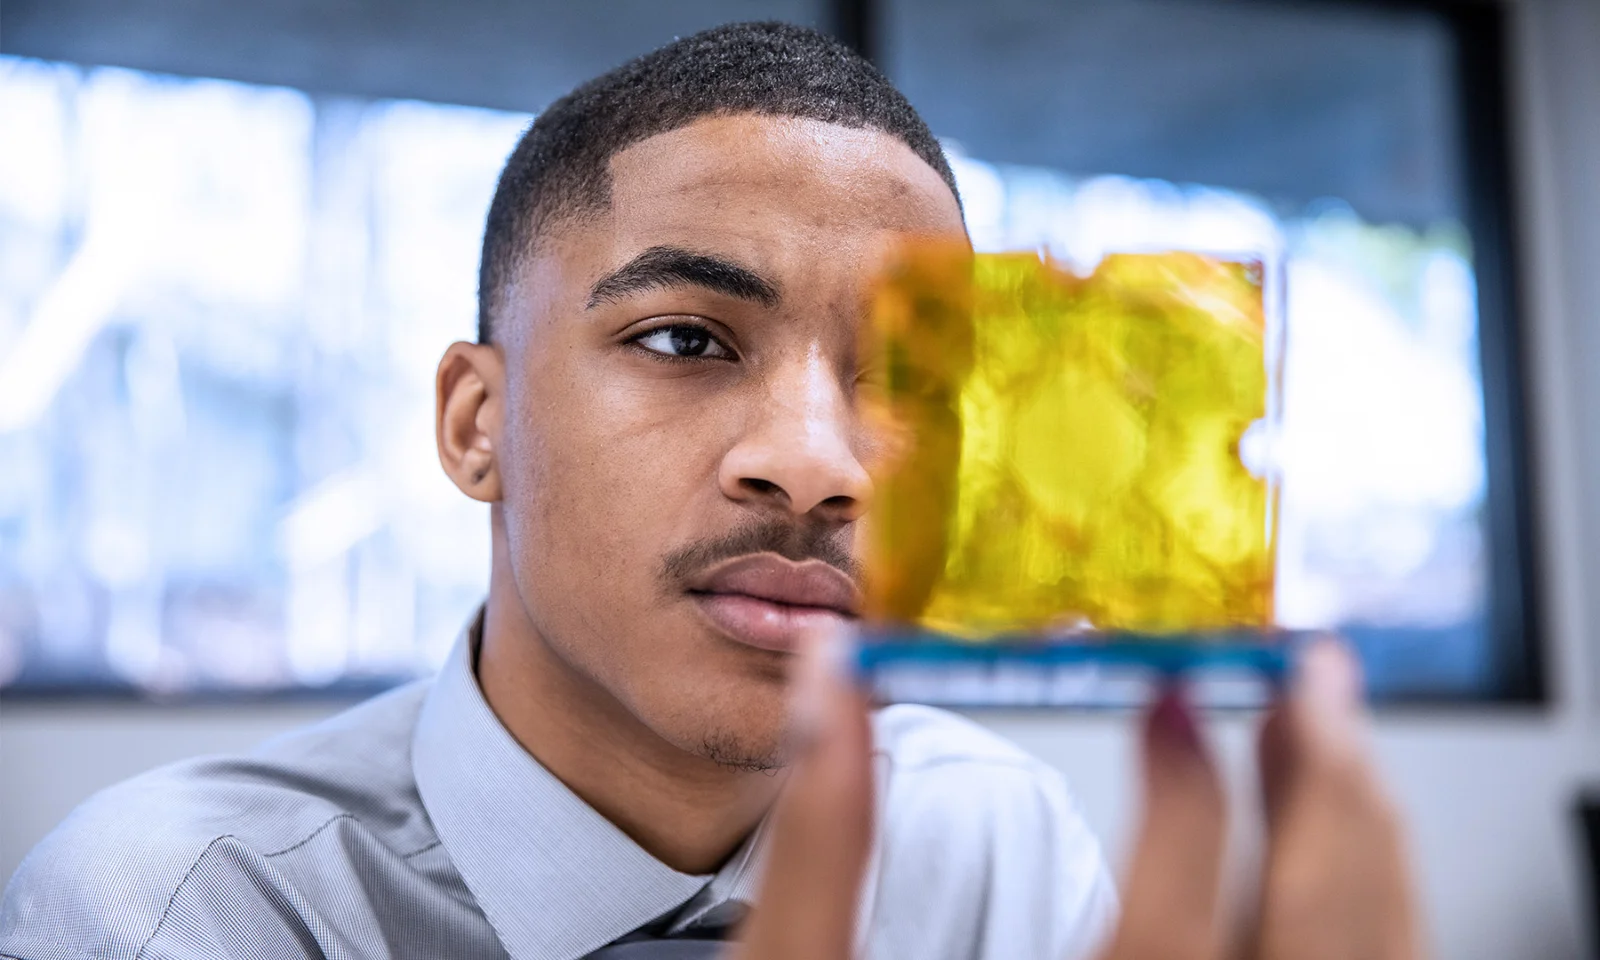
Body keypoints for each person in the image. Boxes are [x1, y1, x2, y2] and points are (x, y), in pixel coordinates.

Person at [0, 21, 1420, 960]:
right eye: (683, 338)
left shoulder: (997, 845)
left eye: (907, 383)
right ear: (476, 423)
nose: (813, 461)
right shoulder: (173, 911)